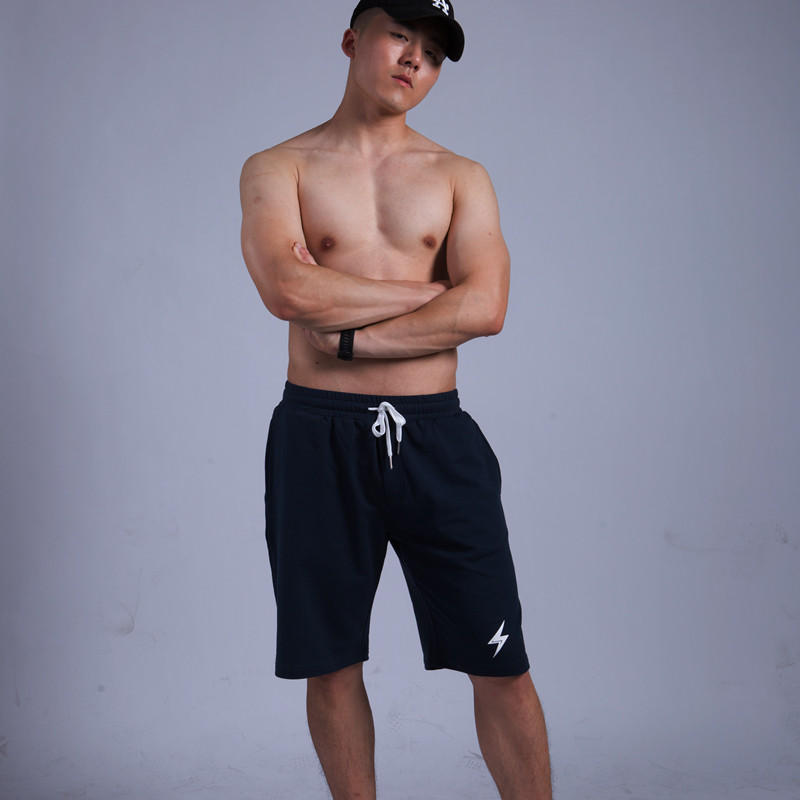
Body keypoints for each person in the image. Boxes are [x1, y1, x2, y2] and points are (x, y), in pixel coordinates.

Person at [240, 1, 552, 797]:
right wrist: (432, 294)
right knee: (331, 662)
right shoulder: (279, 168)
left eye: (434, 52)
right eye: (400, 36)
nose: (415, 59)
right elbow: (287, 290)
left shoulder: (460, 177)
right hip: (317, 438)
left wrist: (350, 337)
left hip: (436, 439)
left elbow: (487, 308)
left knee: (501, 661)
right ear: (353, 40)